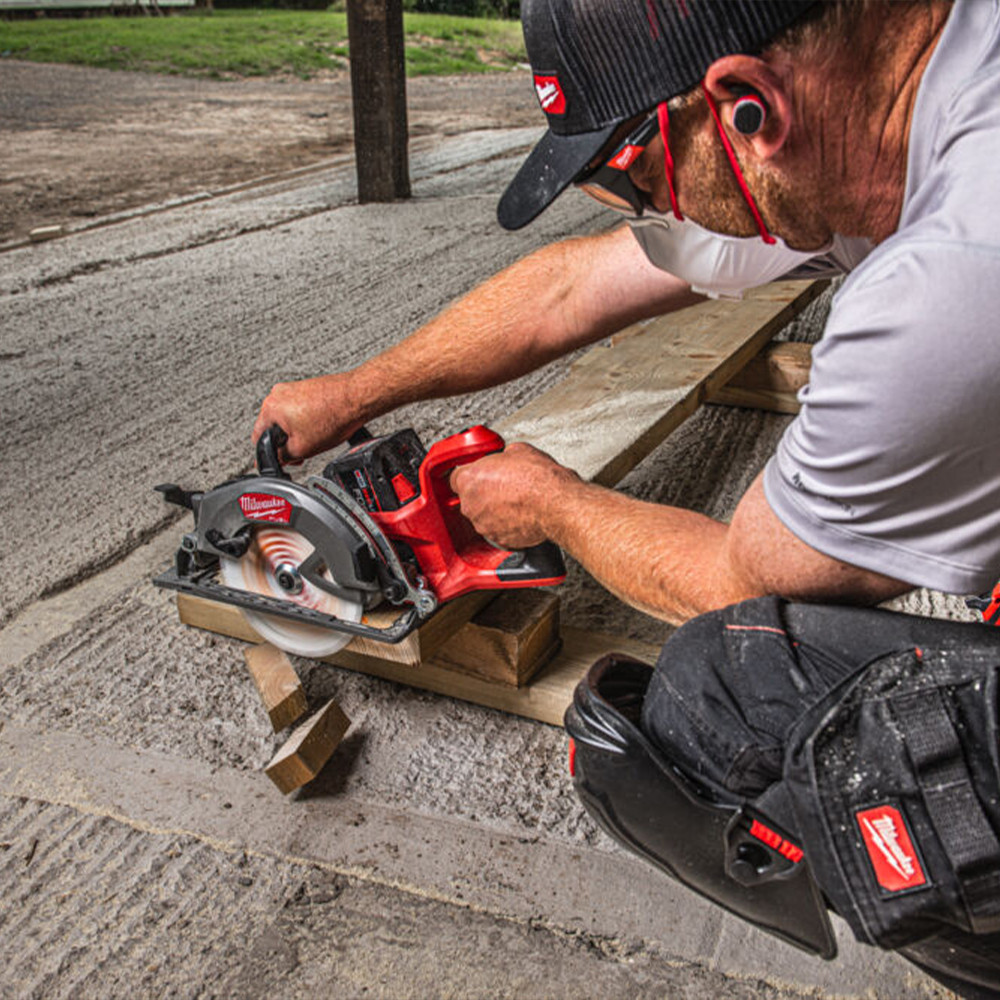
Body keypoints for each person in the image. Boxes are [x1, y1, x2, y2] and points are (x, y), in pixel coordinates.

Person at [255, 0, 1000, 627]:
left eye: (637, 177)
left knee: (720, 688)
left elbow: (747, 584)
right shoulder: (886, 108)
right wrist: (354, 393)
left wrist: (555, 506)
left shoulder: (940, 285)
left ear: (749, 103)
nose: (651, 214)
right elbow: (569, 291)